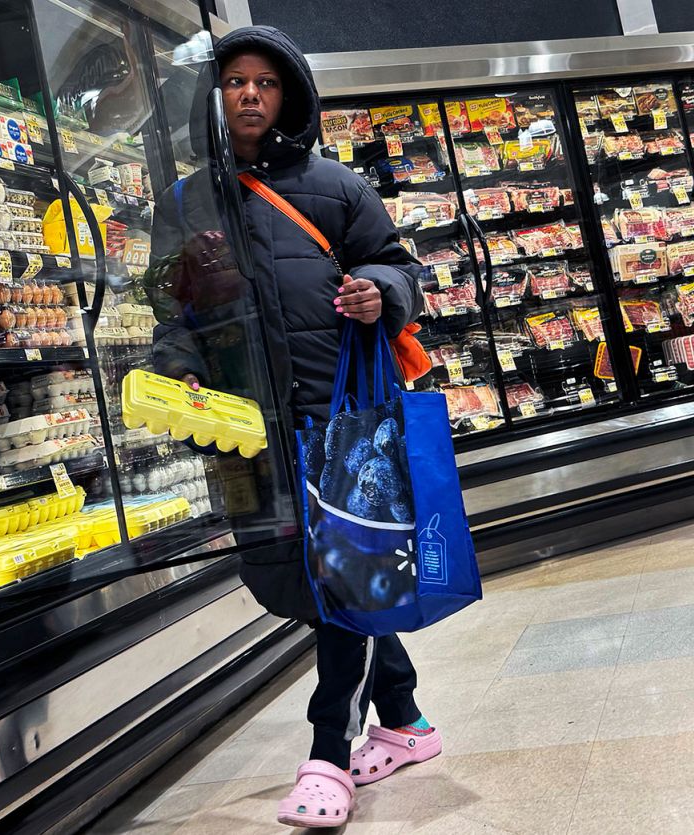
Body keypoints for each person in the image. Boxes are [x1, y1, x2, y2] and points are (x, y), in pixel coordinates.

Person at [146, 25, 438, 829]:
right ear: (216, 96)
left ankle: (327, 756)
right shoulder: (181, 203)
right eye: (235, 81)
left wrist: (382, 292)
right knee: (315, 585)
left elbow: (400, 265)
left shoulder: (337, 188)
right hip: (245, 432)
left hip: (342, 421)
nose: (248, 94)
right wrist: (175, 366)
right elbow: (169, 312)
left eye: (265, 83)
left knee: (349, 583)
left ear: (290, 96)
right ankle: (407, 720)